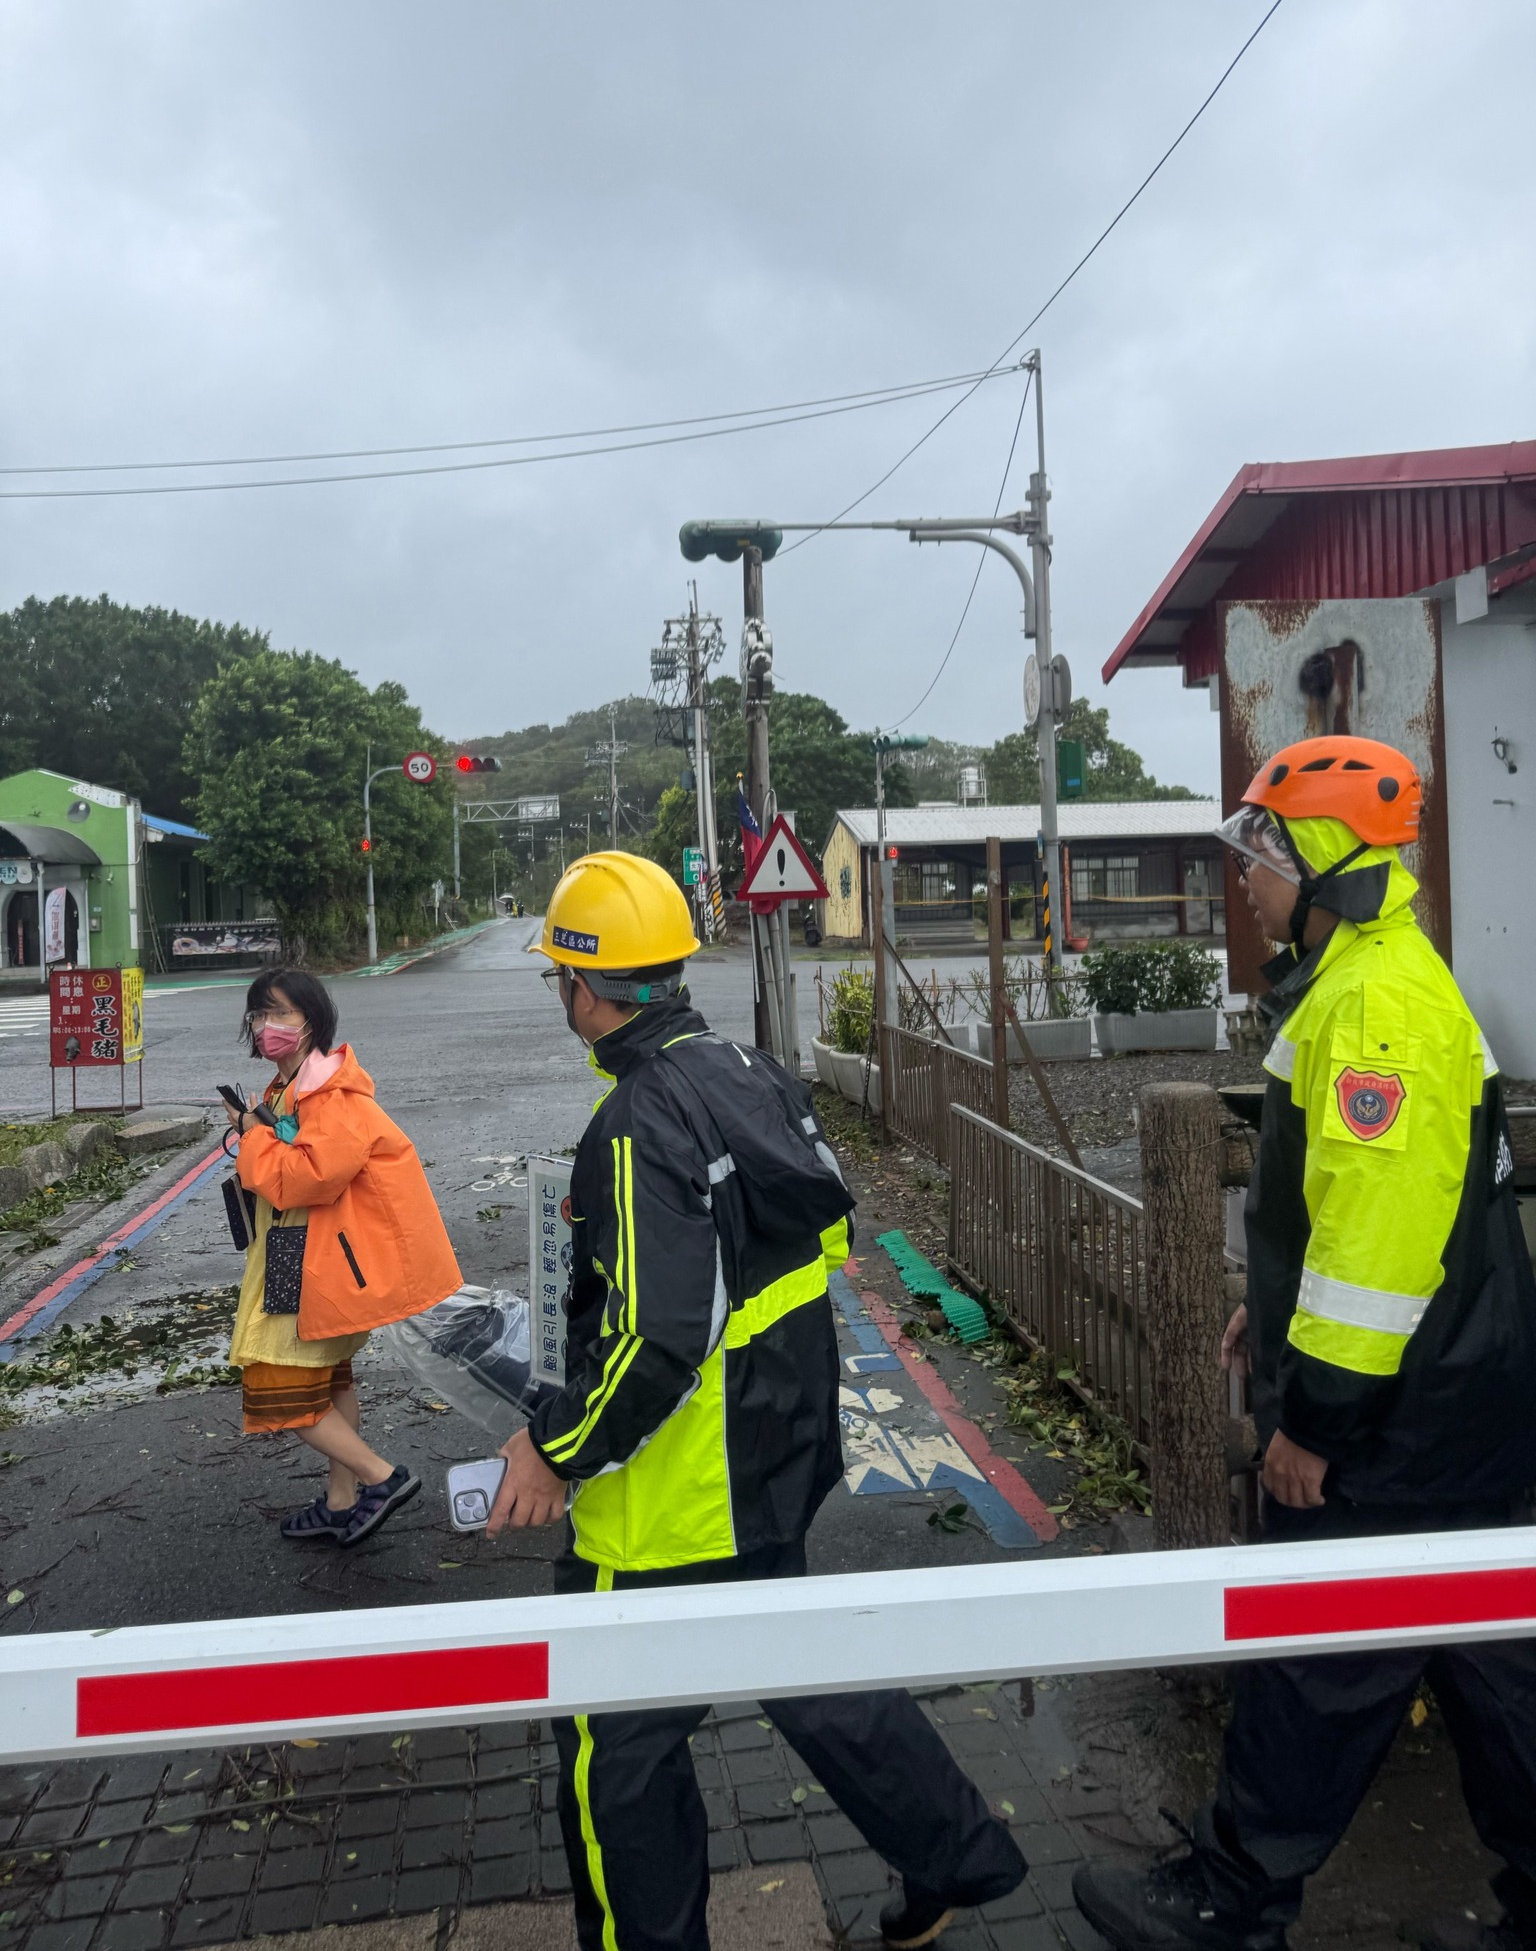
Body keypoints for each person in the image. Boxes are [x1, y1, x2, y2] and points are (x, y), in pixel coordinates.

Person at [486, 851, 1026, 1951]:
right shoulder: (751, 1071)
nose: (560, 995)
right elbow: (820, 1246)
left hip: (670, 1500)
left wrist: (555, 1446)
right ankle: (955, 1854)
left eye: (558, 977)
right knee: (805, 1670)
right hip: (774, 1456)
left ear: (584, 987)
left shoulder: (636, 1123)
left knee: (616, 1760)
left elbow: (655, 1339)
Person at [1073, 736, 1536, 1951]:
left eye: (1263, 853)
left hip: (1392, 1425)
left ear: (1325, 861)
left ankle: (1231, 1900)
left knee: (1318, 1659)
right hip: (1449, 1403)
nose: (1245, 877)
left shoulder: (1376, 1005)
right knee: (1494, 1671)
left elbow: (1377, 1254)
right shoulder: (1368, 979)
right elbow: (1355, 1214)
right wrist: (1272, 1314)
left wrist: (1313, 1420)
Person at [222, 967, 463, 1548]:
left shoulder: (333, 1096)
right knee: (331, 1383)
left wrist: (252, 1137)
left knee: (277, 1387)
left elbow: (306, 1178)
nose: (268, 1026)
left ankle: (382, 1478)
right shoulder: (291, 1088)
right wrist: (258, 1127)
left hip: (314, 1261)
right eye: (259, 1014)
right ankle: (340, 1500)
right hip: (301, 1254)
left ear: (312, 1020)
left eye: (281, 1013)